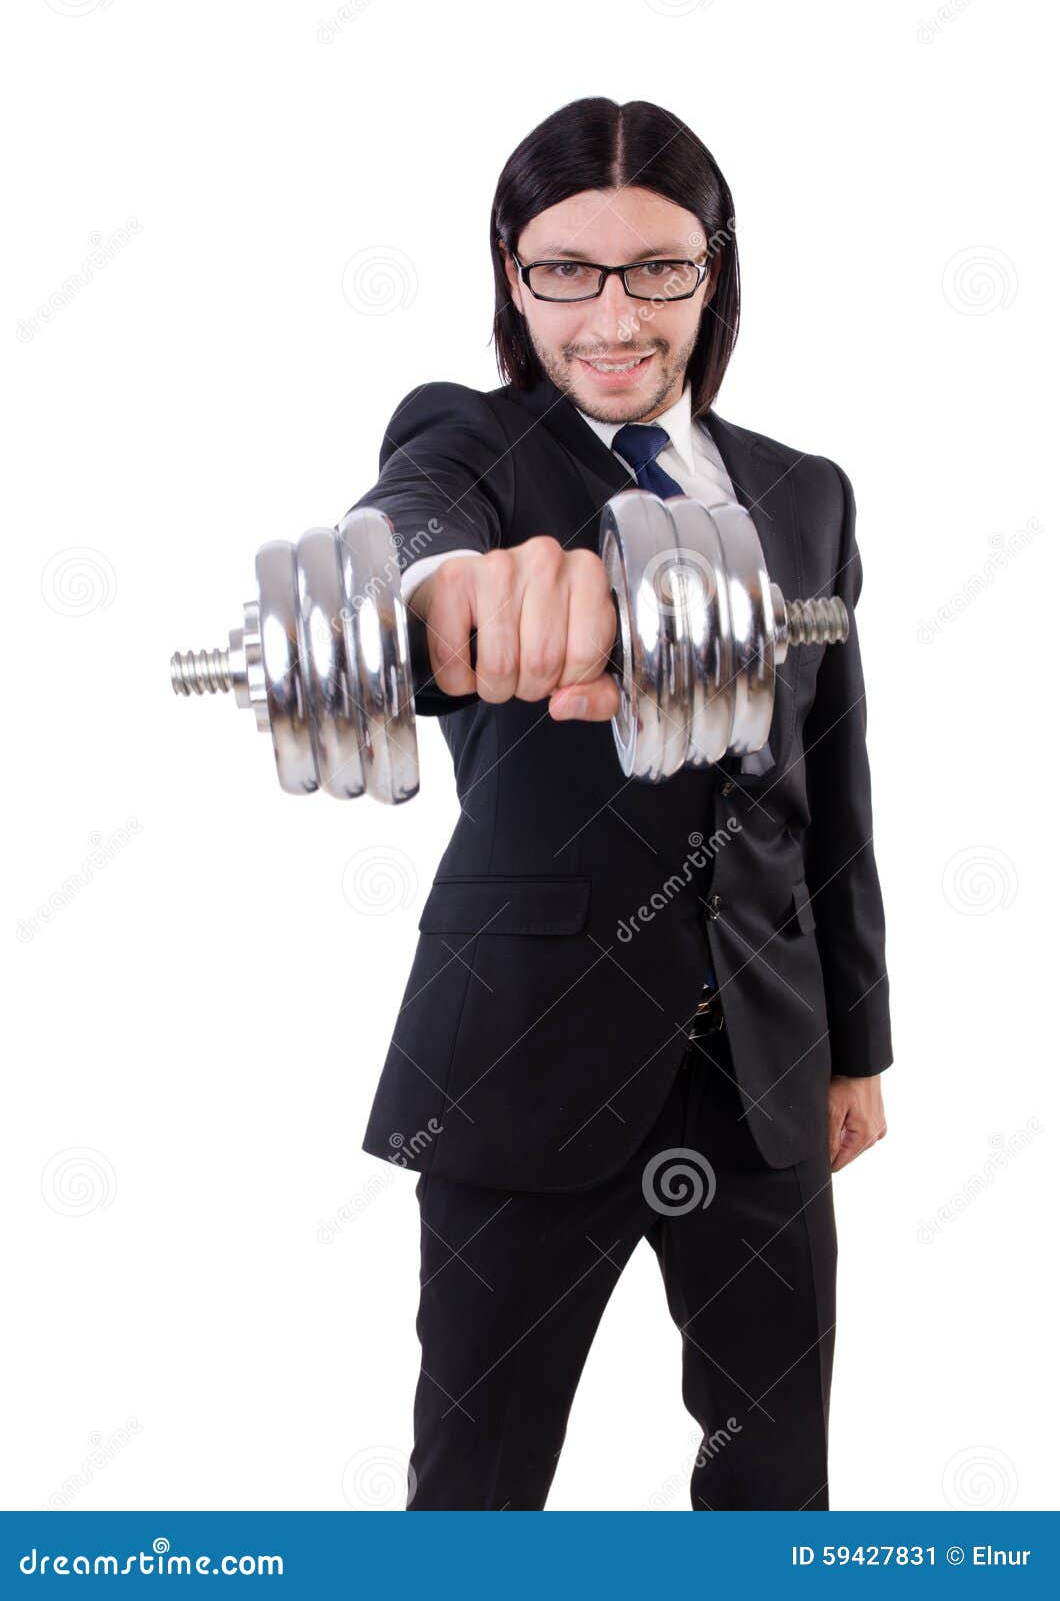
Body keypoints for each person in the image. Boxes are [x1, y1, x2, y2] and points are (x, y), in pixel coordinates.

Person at [341, 96, 891, 1510]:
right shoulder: (479, 446)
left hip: (760, 1070)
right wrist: (437, 590)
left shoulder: (804, 492)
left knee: (775, 1476)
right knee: (478, 1479)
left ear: (715, 272)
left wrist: (855, 1045)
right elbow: (412, 519)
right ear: (511, 280)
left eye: (658, 269)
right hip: (525, 1056)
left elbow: (832, 784)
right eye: (563, 271)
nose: (613, 314)